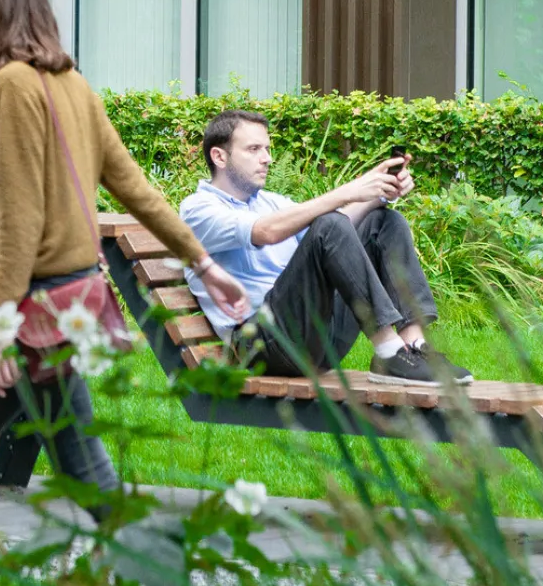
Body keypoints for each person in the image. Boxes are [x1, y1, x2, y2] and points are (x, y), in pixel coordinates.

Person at [0, 0, 250, 531]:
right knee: (84, 470)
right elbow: (136, 189)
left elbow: (23, 219)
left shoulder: (19, 85)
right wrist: (203, 261)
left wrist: (0, 333)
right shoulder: (74, 86)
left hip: (34, 307)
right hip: (67, 304)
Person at [180, 109, 472, 385]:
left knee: (383, 221)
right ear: (219, 156)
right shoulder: (198, 210)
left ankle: (411, 344)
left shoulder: (270, 202)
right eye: (254, 149)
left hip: (314, 336)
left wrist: (380, 193)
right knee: (328, 224)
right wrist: (346, 192)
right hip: (262, 346)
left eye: (268, 149)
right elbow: (266, 232)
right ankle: (388, 351)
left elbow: (337, 232)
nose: (267, 158)